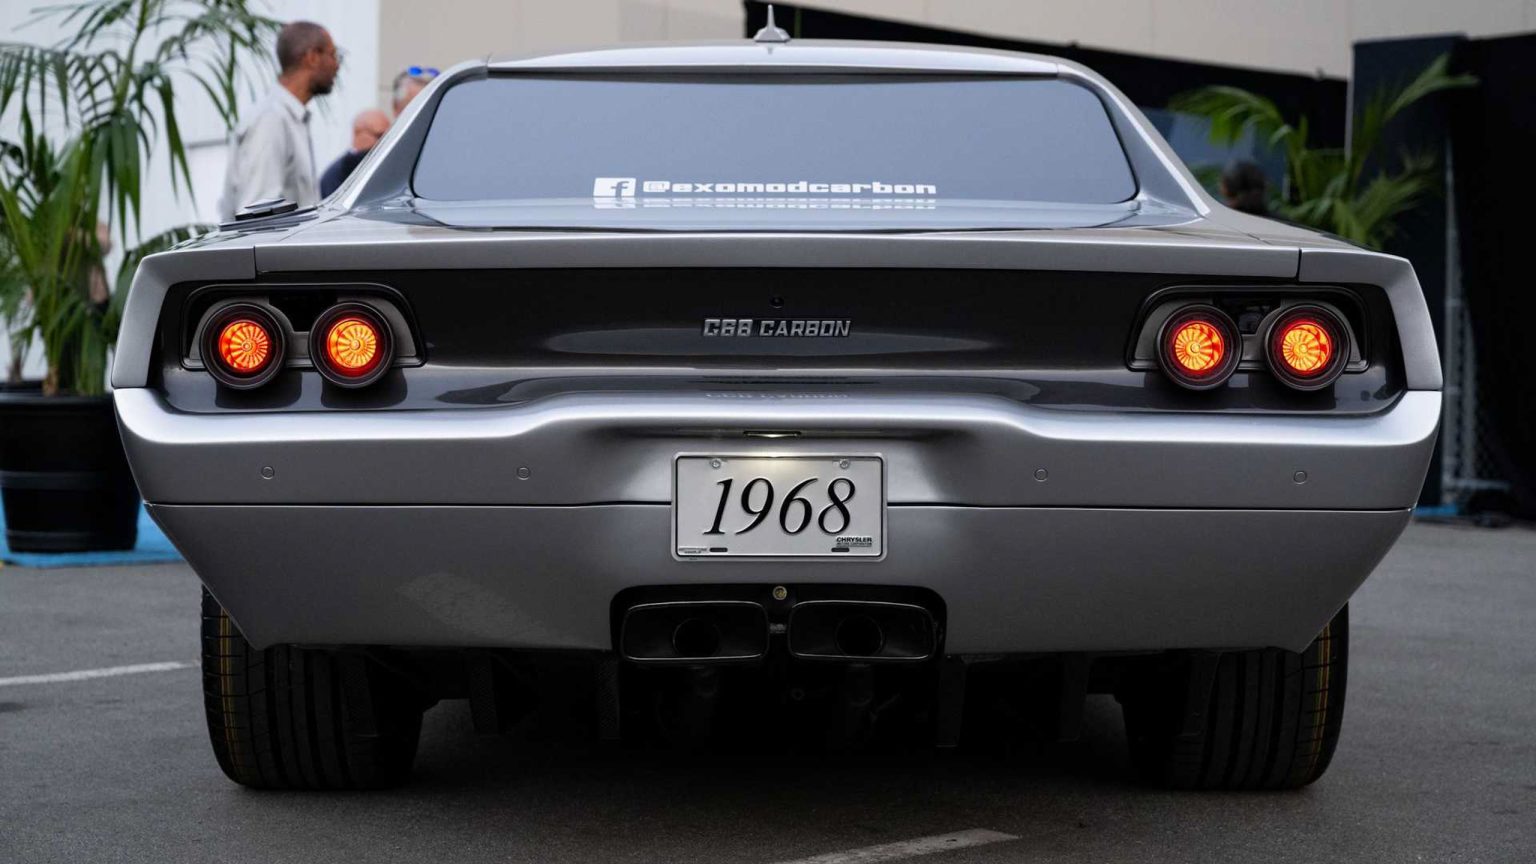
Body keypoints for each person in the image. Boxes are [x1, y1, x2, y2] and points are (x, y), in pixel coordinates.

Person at [217, 21, 340, 221]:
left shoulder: (289, 119)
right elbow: (256, 217)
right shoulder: (271, 121)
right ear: (312, 57)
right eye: (333, 55)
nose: (337, 65)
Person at [319, 109, 390, 197]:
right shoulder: (337, 173)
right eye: (380, 136)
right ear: (358, 133)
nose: (385, 142)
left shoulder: (382, 164)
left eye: (388, 136)